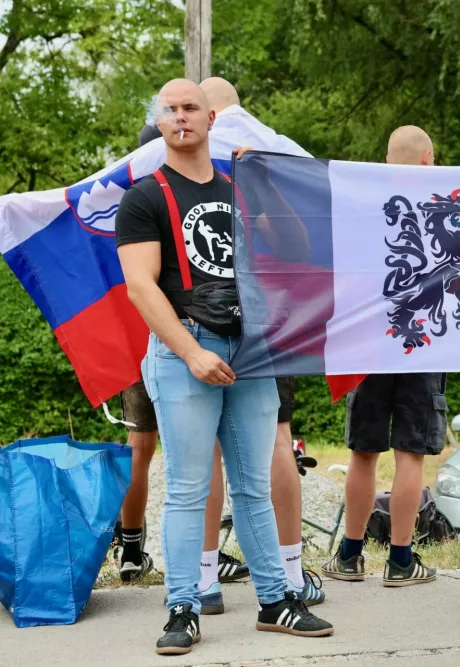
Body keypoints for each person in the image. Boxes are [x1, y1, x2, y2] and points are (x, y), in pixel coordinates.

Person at [115, 78, 333, 656]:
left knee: (253, 485)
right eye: (171, 110)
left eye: (192, 108)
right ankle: (183, 607)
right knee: (188, 488)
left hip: (251, 347)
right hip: (185, 346)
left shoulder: (240, 187)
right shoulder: (144, 197)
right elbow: (141, 286)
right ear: (159, 122)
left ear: (212, 119)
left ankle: (275, 600)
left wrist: (269, 184)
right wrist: (190, 353)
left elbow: (294, 243)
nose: (182, 117)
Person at [197, 77, 325, 611]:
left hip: (199, 321)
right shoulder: (268, 150)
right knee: (276, 444)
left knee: (203, 453)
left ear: (204, 114)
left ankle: (203, 581)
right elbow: (298, 238)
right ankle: (292, 575)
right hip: (260, 316)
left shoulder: (175, 158)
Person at [116, 123, 249, 589]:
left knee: (150, 450)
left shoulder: (132, 192)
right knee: (192, 460)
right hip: (165, 342)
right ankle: (197, 570)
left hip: (152, 341)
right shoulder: (147, 197)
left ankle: (142, 550)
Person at [322, 125, 443, 587]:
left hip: (368, 342)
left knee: (363, 451)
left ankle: (350, 556)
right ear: (428, 159)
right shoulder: (445, 203)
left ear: (386, 157)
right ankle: (400, 561)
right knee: (411, 453)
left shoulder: (359, 200)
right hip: (426, 341)